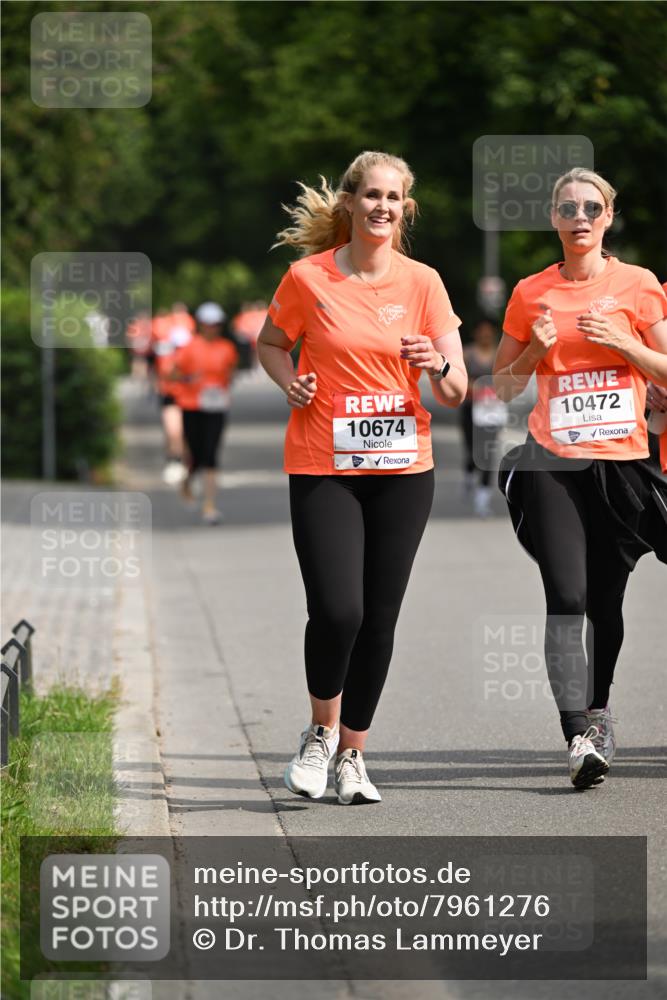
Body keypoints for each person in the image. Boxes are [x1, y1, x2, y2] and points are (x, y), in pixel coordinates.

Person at [257, 151, 466, 805]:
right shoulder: (306, 278)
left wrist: (436, 362)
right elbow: (268, 343)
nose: (382, 206)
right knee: (337, 609)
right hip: (325, 466)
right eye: (371, 195)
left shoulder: (424, 283)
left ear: (406, 207)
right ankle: (318, 734)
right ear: (348, 202)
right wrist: (293, 382)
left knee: (379, 618)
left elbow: (457, 390)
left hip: (404, 471)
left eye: (394, 197)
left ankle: (353, 753)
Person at [493, 167, 667, 790]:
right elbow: (502, 385)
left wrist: (624, 343)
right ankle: (578, 733)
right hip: (552, 462)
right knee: (566, 596)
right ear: (554, 218)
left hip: (621, 465)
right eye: (568, 207)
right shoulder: (530, 291)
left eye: (592, 207)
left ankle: (598, 711)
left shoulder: (639, 286)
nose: (580, 217)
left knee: (606, 602)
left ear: (608, 217)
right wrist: (534, 353)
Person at [172, 301, 239, 524]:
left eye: (217, 324)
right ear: (200, 325)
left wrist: (222, 386)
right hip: (192, 406)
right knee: (196, 456)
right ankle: (187, 480)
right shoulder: (189, 347)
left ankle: (209, 506)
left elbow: (231, 372)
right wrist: (188, 379)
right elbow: (171, 375)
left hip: (216, 406)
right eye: (209, 324)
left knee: (211, 454)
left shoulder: (227, 347)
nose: (213, 328)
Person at [459, 318, 507, 516]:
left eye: (489, 331)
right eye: (482, 331)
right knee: (473, 450)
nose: (485, 335)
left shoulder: (500, 354)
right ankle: (469, 475)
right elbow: (458, 378)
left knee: (488, 452)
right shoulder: (468, 354)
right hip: (471, 408)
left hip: (493, 410)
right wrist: (477, 387)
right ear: (476, 333)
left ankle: (483, 497)